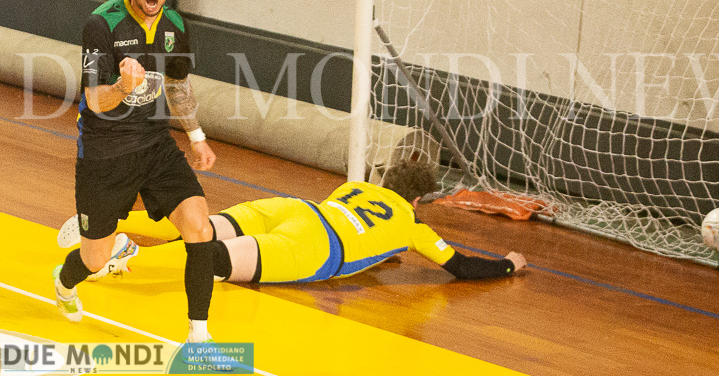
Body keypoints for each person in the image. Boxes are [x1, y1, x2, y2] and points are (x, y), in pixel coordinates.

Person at [53, 0, 217, 343]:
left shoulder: (175, 24)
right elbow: (95, 100)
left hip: (155, 144)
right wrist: (124, 87)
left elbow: (177, 84)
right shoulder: (102, 24)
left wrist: (196, 136)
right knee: (95, 259)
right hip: (105, 152)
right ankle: (64, 281)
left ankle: (199, 335)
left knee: (200, 228)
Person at [62, 161, 527, 283]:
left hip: (299, 209)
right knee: (213, 260)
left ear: (385, 180)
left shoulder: (355, 187)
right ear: (418, 198)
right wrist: (508, 264)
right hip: (316, 248)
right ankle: (130, 258)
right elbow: (461, 267)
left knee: (204, 226)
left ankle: (105, 225)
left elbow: (363, 228)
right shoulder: (413, 226)